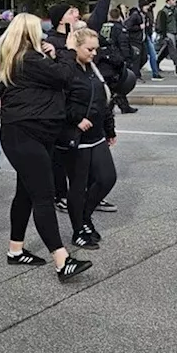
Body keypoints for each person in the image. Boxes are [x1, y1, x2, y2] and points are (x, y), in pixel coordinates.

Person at [0, 13, 93, 281]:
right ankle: (62, 260)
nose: (43, 35)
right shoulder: (27, 58)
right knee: (43, 195)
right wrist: (67, 50)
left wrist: (53, 53)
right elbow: (64, 76)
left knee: (26, 193)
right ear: (28, 33)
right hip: (24, 135)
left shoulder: (27, 57)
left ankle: (15, 250)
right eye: (39, 31)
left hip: (33, 134)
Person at [57, 28, 117, 250]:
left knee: (107, 177)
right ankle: (78, 229)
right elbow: (59, 103)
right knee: (78, 186)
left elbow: (104, 102)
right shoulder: (67, 70)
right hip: (76, 137)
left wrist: (110, 129)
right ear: (76, 48)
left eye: (96, 49)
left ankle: (84, 216)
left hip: (97, 135)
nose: (94, 53)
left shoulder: (94, 70)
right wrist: (75, 119)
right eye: (89, 49)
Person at [155, 0, 177, 77]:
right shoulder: (164, 11)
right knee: (173, 50)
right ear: (168, 1)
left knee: (166, 51)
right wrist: (163, 35)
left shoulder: (175, 10)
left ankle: (156, 63)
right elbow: (162, 24)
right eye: (173, 0)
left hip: (174, 32)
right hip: (168, 33)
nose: (175, 2)